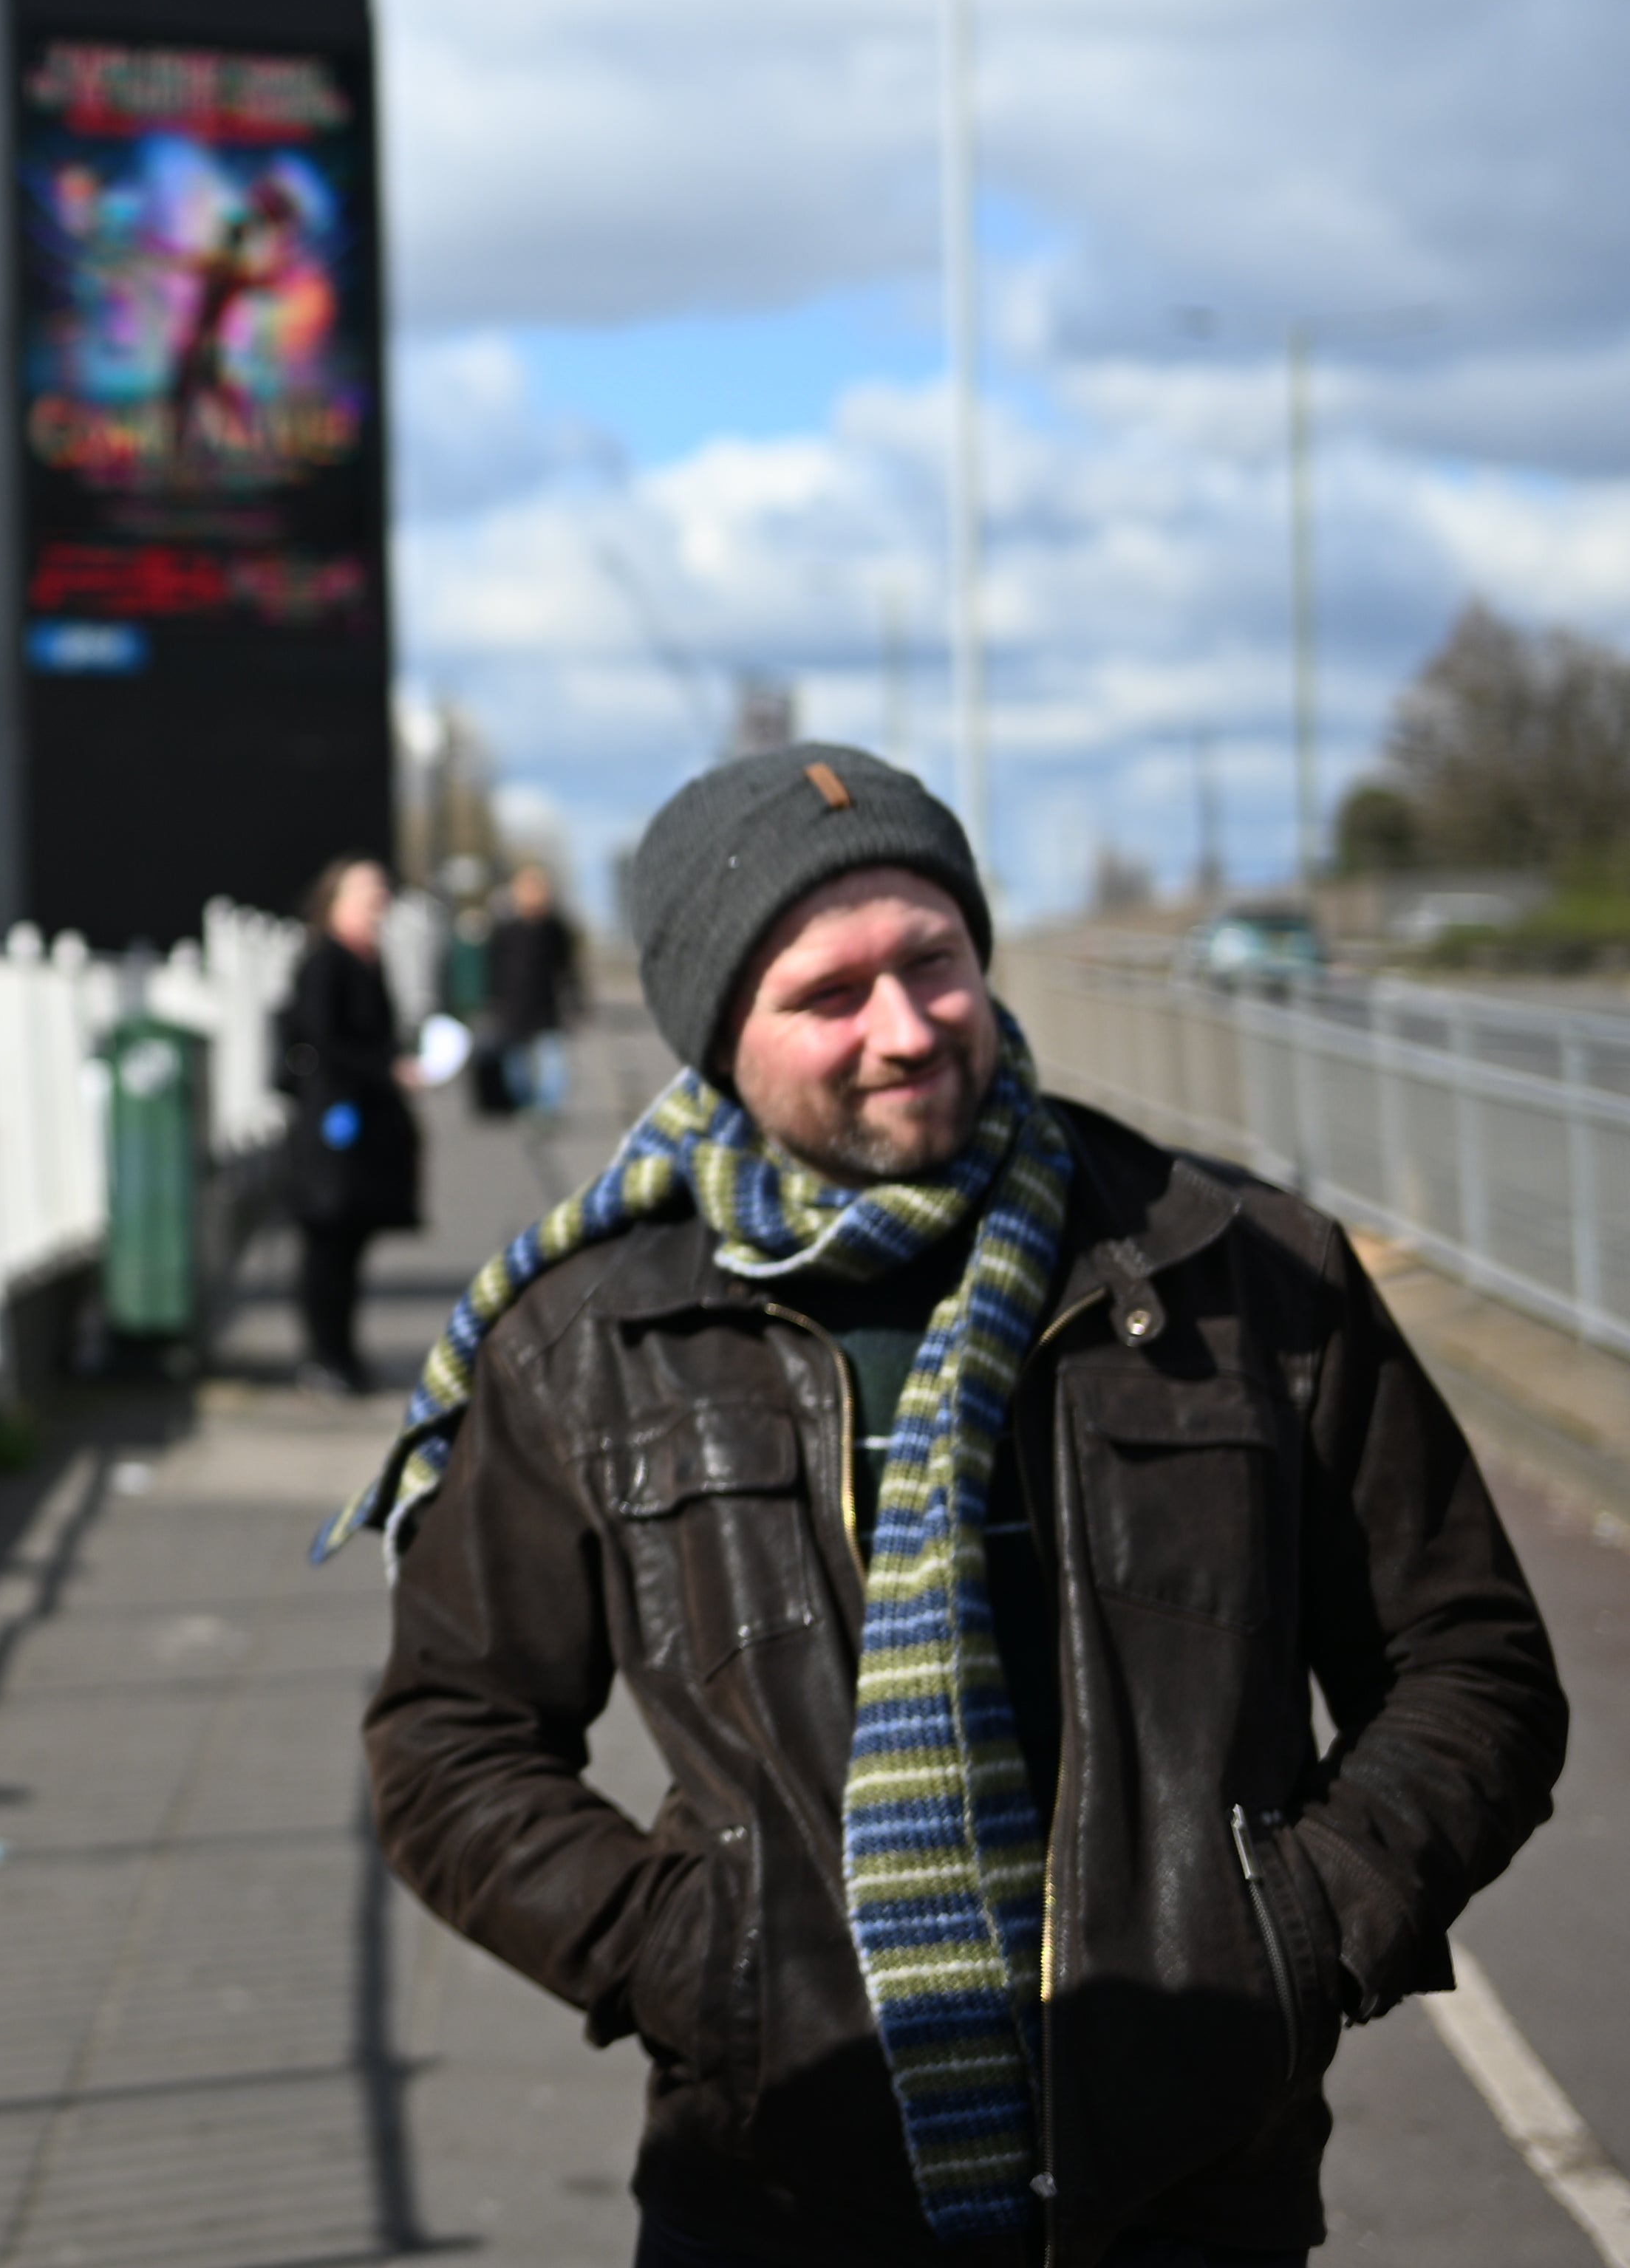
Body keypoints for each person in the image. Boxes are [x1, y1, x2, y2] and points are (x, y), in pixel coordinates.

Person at [333, 745, 1565, 2268]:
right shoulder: (592, 1342)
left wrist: (1299, 1928)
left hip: (1199, 2185)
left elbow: (1470, 1662)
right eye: (831, 994)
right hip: (775, 2188)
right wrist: (706, 1965)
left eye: (935, 961)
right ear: (718, 1032)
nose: (906, 1030)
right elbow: (449, 1743)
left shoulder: (1244, 1272)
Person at [276, 853, 423, 1395]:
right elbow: (323, 1040)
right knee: (327, 1246)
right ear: (336, 902)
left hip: (364, 1126)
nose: (377, 901)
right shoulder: (325, 962)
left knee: (351, 1246)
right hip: (332, 1127)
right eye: (367, 892)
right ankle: (323, 1357)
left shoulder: (371, 959)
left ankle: (344, 1355)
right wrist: (387, 1068)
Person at [479, 858, 584, 1124]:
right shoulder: (505, 930)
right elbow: (492, 968)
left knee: (554, 1064)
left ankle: (546, 1110)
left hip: (546, 1007)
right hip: (513, 1009)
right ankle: (527, 1107)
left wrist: (576, 999)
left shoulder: (555, 928)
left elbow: (568, 968)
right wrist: (490, 1002)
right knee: (516, 1068)